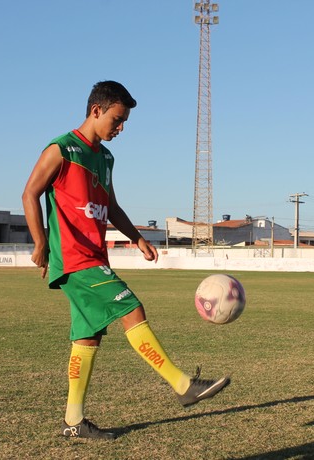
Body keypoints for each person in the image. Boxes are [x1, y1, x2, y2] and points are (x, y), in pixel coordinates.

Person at [22, 81, 230, 440]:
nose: (120, 128)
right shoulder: (62, 150)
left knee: (86, 338)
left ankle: (74, 422)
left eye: (124, 123)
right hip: (75, 259)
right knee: (132, 308)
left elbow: (112, 206)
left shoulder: (104, 158)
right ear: (96, 111)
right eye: (117, 120)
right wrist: (41, 243)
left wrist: (136, 238)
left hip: (93, 256)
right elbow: (29, 193)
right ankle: (183, 386)